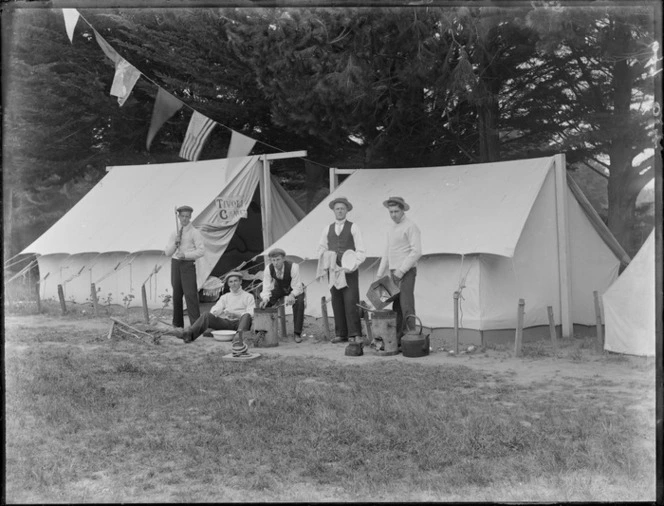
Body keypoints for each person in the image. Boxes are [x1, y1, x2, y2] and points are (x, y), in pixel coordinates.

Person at [316, 197, 366, 343]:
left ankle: (355, 333)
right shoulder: (327, 229)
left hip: (349, 270)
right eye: (337, 208)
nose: (340, 211)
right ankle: (341, 333)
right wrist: (326, 258)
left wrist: (353, 265)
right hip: (334, 271)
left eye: (342, 208)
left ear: (347, 210)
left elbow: (361, 251)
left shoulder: (353, 227)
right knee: (336, 300)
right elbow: (321, 248)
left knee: (351, 300)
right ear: (333, 210)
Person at [376, 196, 422, 348]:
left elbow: (416, 252)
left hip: (406, 272)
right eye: (391, 212)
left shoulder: (411, 226)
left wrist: (401, 271)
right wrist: (379, 273)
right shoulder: (390, 228)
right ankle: (399, 340)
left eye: (396, 211)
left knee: (406, 305)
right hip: (393, 272)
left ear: (403, 210)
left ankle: (412, 339)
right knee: (396, 307)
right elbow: (387, 251)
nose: (393, 215)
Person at [172, 271, 254, 343]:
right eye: (231, 282)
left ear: (240, 282)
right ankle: (189, 335)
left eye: (236, 281)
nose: (233, 284)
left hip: (240, 323)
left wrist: (237, 315)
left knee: (246, 316)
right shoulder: (225, 297)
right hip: (227, 322)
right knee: (206, 315)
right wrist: (215, 312)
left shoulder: (248, 296)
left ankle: (238, 339)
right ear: (228, 284)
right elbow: (217, 307)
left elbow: (251, 313)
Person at [165, 205, 205, 329]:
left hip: (188, 265)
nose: (185, 219)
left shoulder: (194, 232)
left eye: (187, 216)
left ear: (190, 217)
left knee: (190, 294)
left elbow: (201, 251)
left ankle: (196, 326)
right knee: (176, 294)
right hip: (175, 264)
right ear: (178, 216)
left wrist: (186, 255)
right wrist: (175, 243)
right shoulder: (174, 233)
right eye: (182, 216)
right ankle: (177, 325)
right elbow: (168, 253)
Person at [259, 248, 306, 343]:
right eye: (273, 260)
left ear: (283, 259)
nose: (276, 263)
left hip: (295, 288)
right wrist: (265, 299)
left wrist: (292, 295)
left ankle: (297, 333)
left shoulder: (293, 267)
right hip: (280, 288)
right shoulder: (269, 268)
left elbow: (297, 286)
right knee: (266, 303)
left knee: (299, 302)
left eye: (278, 259)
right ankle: (263, 331)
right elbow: (266, 286)